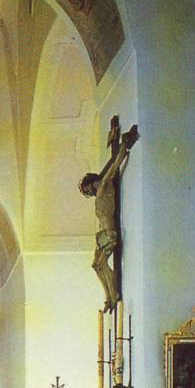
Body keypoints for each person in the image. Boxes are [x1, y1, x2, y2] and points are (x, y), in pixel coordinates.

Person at [79, 117, 139, 312]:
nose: (88, 194)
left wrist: (122, 147)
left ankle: (114, 295)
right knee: (95, 266)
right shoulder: (99, 193)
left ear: (92, 183)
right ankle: (107, 296)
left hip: (109, 233)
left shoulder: (104, 186)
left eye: (87, 190)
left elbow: (115, 166)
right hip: (101, 236)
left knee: (103, 264)